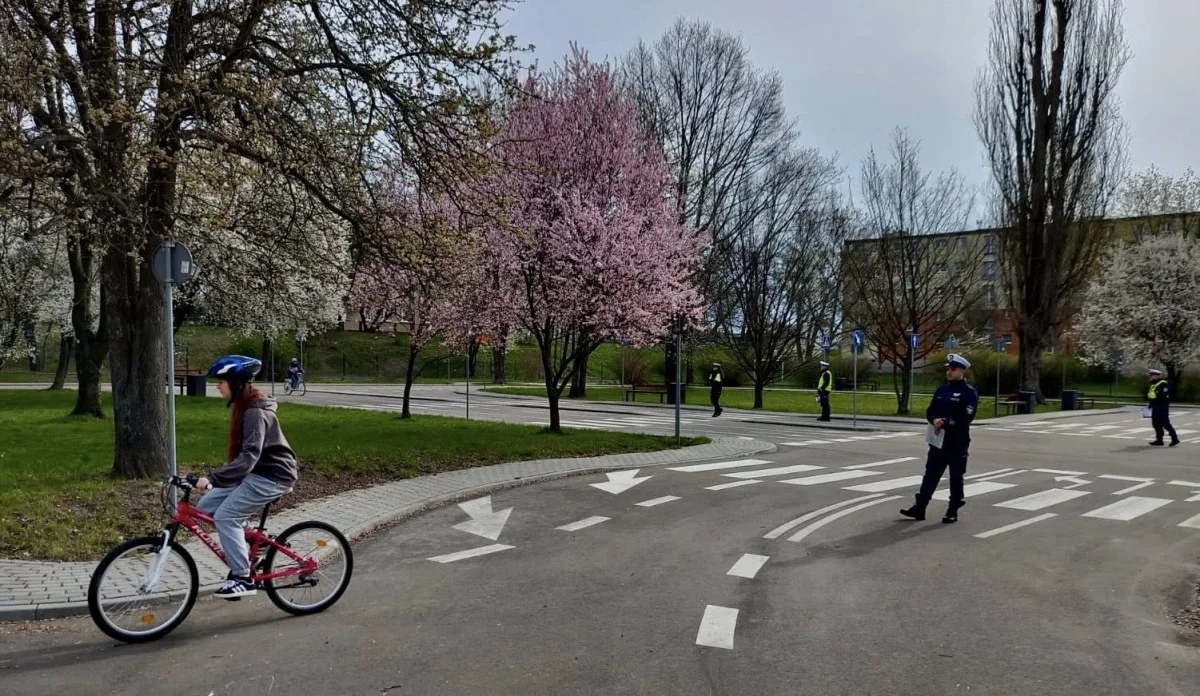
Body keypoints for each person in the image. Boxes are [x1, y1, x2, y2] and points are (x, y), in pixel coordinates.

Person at [196, 355, 299, 598]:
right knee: (206, 505)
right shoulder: (244, 407)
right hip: (256, 473)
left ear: (237, 383)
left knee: (225, 517)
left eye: (222, 381)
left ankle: (242, 577)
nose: (217, 386)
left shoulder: (254, 412)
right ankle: (252, 538)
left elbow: (249, 455)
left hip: (272, 475)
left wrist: (212, 478)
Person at [901, 353, 978, 524]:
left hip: (957, 442)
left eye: (953, 369)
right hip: (938, 441)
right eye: (948, 369)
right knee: (930, 475)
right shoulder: (942, 390)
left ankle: (953, 509)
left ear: (962, 371)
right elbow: (931, 410)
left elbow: (967, 417)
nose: (949, 372)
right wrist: (934, 419)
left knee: (955, 477)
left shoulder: (968, 392)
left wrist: (946, 422)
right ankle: (920, 507)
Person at [1146, 368, 1179, 447]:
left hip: (1162, 407)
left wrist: (1154, 401)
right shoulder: (1154, 384)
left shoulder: (1163, 384)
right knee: (1156, 424)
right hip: (1155, 407)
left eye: (1151, 376)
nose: (1150, 377)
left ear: (1156, 376)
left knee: (1166, 424)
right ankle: (1159, 440)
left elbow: (1161, 396)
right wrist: (1150, 405)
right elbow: (1152, 395)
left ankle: (1175, 439)